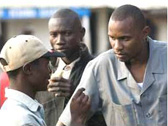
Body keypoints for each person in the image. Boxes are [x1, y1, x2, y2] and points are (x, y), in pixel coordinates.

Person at [57, 4, 167, 126]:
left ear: (144, 33)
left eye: (125, 39)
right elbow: (66, 121)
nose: (117, 46)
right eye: (112, 38)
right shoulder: (100, 68)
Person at [0, 35, 90, 126]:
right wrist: (76, 120)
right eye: (47, 65)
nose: (50, 71)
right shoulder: (24, 120)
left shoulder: (14, 108)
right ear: (28, 69)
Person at [36, 9, 106, 126]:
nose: (59, 41)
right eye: (54, 35)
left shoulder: (97, 68)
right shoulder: (42, 70)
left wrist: (75, 94)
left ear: (82, 33)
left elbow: (109, 117)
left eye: (67, 33)